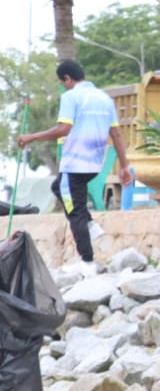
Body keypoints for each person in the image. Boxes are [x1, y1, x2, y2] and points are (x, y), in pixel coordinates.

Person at [19, 61, 132, 266]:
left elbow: (63, 129)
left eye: (64, 83)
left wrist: (31, 137)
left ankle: (87, 263)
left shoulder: (71, 96)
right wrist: (124, 166)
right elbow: (115, 134)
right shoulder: (104, 98)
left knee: (74, 212)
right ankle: (90, 224)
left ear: (68, 79)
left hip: (74, 164)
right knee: (58, 188)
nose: (65, 86)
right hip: (94, 164)